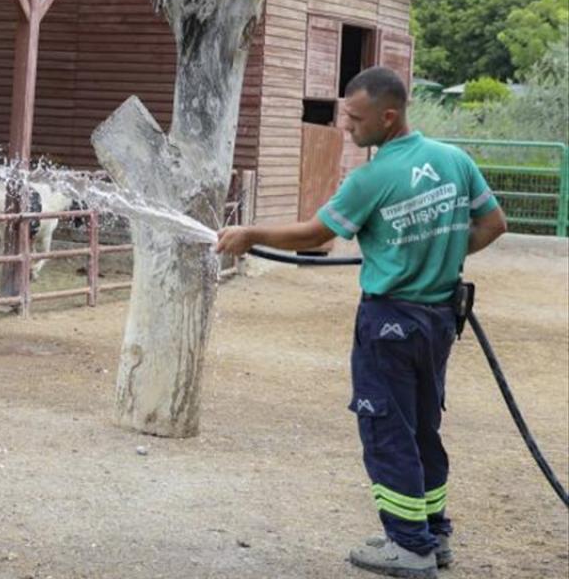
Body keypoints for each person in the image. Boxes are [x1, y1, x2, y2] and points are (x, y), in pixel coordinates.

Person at [216, 66, 507, 579]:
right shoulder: (455, 160)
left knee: (386, 428)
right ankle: (432, 534)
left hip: (390, 320)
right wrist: (438, 256)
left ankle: (409, 547)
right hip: (440, 318)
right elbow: (494, 224)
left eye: (354, 118)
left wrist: (250, 234)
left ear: (388, 117)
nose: (346, 126)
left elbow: (314, 234)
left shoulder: (370, 179)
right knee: (423, 426)